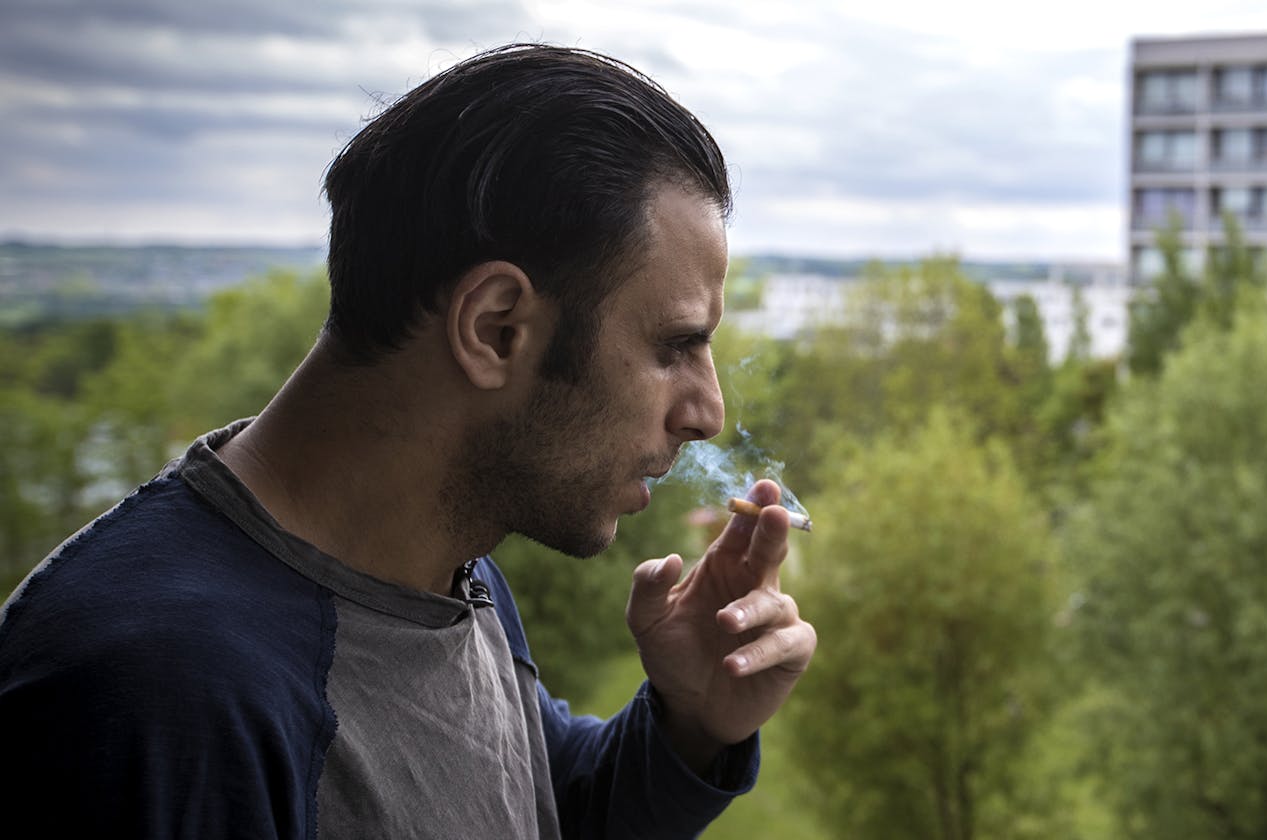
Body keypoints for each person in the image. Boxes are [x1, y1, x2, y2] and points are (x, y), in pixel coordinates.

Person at [0, 44, 817, 838]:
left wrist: (691, 725)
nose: (707, 411)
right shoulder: (159, 695)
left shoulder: (448, 567)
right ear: (496, 329)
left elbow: (526, 807)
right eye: (674, 346)